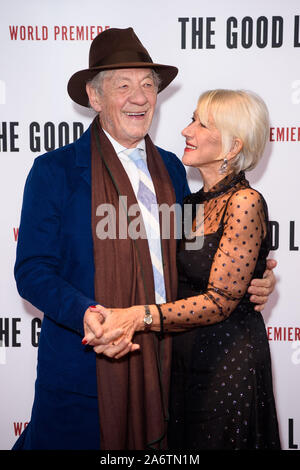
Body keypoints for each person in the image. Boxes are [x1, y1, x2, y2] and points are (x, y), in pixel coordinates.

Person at [13, 27, 276, 451]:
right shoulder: (55, 171)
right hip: (84, 377)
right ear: (94, 98)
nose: (140, 97)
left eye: (149, 85)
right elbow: (33, 271)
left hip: (168, 372)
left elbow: (197, 258)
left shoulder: (173, 169)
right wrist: (87, 313)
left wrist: (252, 282)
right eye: (123, 85)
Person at [87, 89, 281, 450]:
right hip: (182, 363)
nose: (185, 131)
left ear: (233, 145)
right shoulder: (190, 205)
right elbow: (169, 271)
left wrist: (138, 316)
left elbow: (220, 300)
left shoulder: (245, 202)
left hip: (228, 364)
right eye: (191, 119)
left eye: (200, 123)